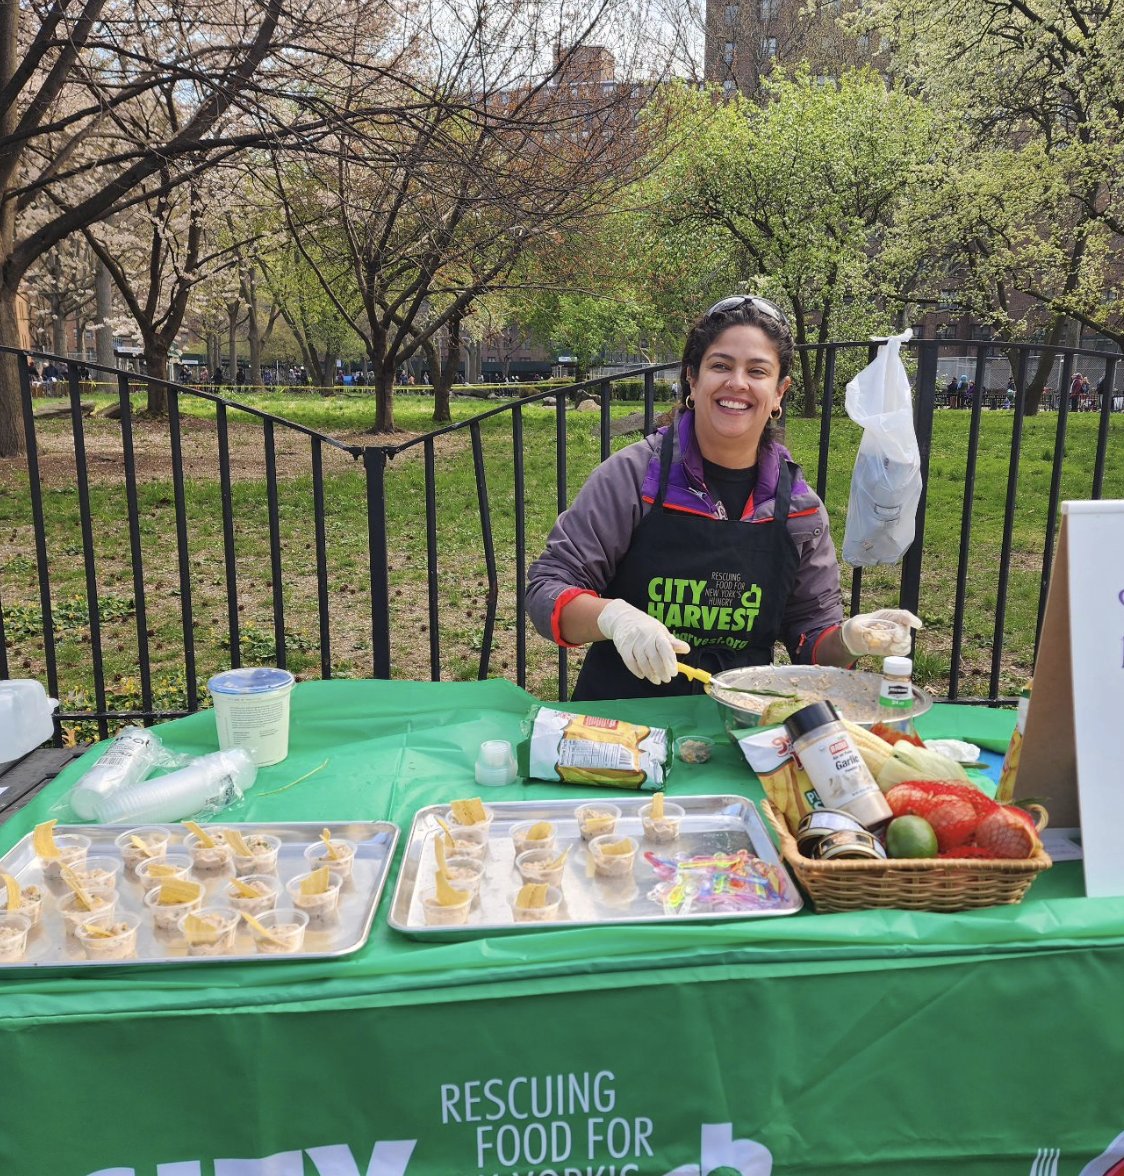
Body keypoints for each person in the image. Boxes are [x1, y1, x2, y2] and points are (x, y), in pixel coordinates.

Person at [526, 295, 922, 701]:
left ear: (779, 392)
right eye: (720, 365)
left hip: (739, 728)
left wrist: (852, 639)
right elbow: (547, 589)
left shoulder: (800, 509)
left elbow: (814, 643)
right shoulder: (633, 477)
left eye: (757, 371)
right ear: (692, 381)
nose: (737, 382)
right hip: (623, 729)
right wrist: (613, 617)